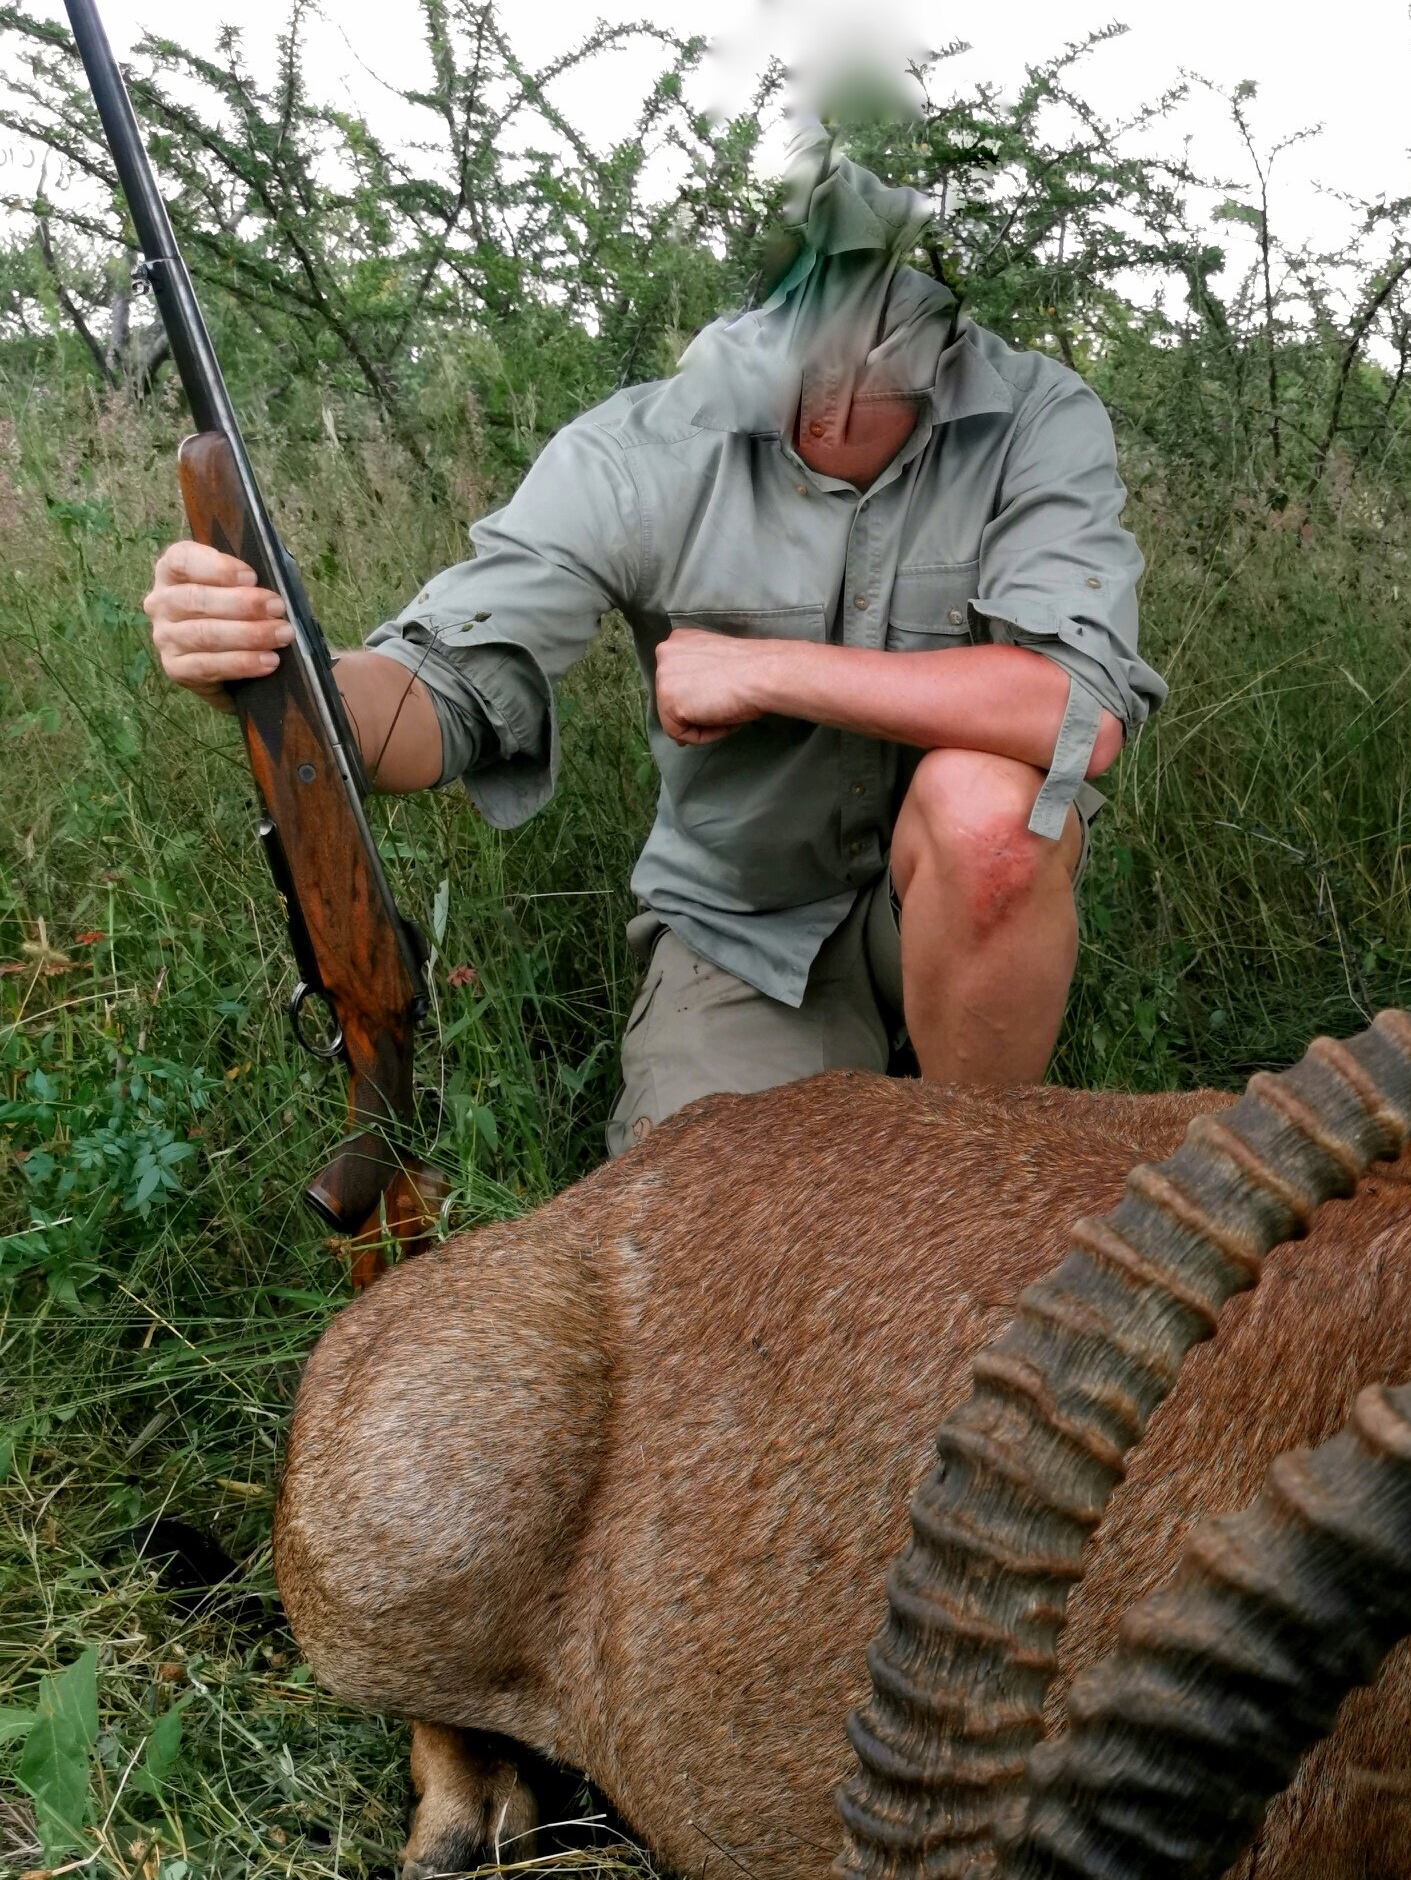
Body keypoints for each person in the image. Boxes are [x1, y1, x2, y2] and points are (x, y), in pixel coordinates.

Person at [141, 138, 1163, 1145]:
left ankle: (969, 1170)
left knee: (990, 812)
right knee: (697, 1256)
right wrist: (275, 673)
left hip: (967, 910)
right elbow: (438, 695)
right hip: (743, 930)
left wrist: (763, 669)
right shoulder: (637, 451)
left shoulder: (1034, 415)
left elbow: (1077, 713)